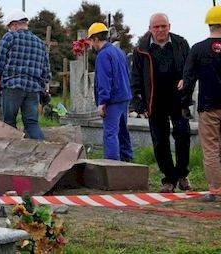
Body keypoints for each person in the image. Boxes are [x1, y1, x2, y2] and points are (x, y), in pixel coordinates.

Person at [131, 13, 192, 193]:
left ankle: (182, 174)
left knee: (183, 136)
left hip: (178, 100)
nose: (160, 30)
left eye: (163, 26)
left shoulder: (181, 44)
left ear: (169, 26)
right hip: (154, 101)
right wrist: (138, 101)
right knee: (160, 141)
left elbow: (190, 70)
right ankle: (168, 179)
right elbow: (136, 77)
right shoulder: (141, 48)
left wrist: (186, 84)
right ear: (150, 28)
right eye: (156, 27)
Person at [0, 10, 50, 140]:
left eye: (9, 28)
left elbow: (0, 62)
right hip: (33, 89)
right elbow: (46, 71)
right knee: (32, 124)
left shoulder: (10, 37)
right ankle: (43, 152)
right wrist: (45, 89)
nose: (9, 30)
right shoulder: (40, 43)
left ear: (15, 25)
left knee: (9, 123)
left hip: (12, 87)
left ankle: (10, 154)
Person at [182, 6, 221, 202]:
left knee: (211, 149)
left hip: (209, 106)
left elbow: (188, 79)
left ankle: (215, 190)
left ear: (209, 25)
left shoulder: (198, 49)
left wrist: (184, 104)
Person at [87, 22, 134, 161]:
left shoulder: (103, 55)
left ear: (96, 39)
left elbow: (104, 80)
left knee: (110, 133)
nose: (91, 44)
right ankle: (127, 160)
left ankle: (112, 166)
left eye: (91, 40)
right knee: (122, 131)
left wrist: (102, 102)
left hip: (112, 100)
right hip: (124, 97)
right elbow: (126, 73)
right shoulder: (119, 52)